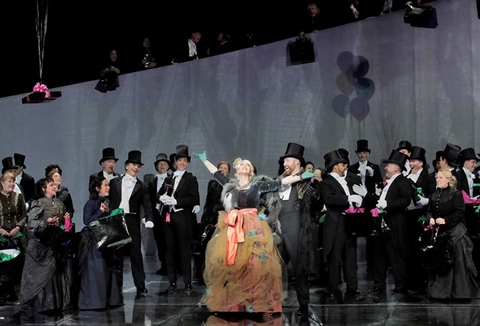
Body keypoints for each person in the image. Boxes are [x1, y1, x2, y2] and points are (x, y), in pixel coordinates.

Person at [193, 150, 316, 313]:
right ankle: (235, 305)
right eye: (242, 164)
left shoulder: (258, 185)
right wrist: (205, 160)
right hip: (235, 226)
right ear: (237, 171)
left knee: (254, 265)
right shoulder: (230, 185)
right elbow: (216, 174)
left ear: (251, 171)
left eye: (247, 164)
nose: (244, 165)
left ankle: (255, 302)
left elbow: (281, 182)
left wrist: (300, 177)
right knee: (235, 265)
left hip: (252, 227)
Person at [277, 142, 319, 316]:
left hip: (296, 227)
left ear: (297, 163)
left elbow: (315, 201)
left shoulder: (307, 182)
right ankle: (272, 303)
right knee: (274, 266)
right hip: (280, 226)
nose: (285, 164)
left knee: (299, 267)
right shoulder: (282, 179)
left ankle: (303, 304)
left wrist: (313, 186)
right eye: (284, 161)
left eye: (288, 160)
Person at [426, 169, 480, 300]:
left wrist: (446, 220)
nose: (438, 180)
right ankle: (440, 292)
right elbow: (429, 211)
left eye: (441, 178)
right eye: (437, 177)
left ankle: (460, 293)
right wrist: (430, 218)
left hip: (455, 232)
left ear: (449, 179)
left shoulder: (455, 194)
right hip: (441, 233)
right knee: (442, 261)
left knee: (458, 261)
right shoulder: (434, 194)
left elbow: (460, 212)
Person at [19, 178, 70, 316]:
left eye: (55, 184)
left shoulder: (59, 203)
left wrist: (65, 223)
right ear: (43, 189)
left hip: (53, 243)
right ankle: (38, 305)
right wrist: (45, 221)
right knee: (39, 275)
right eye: (51, 185)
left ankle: (54, 304)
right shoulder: (38, 203)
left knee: (54, 272)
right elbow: (31, 223)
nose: (55, 187)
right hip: (39, 245)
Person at [109, 150, 154, 298]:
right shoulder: (115, 182)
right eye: (133, 165)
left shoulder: (141, 186)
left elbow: (147, 204)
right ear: (126, 166)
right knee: (117, 255)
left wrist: (149, 219)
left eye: (138, 166)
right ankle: (117, 286)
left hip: (132, 220)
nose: (136, 168)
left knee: (135, 254)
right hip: (117, 220)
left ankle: (140, 286)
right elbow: (109, 199)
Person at [319, 150, 363, 298]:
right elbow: (329, 200)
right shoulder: (326, 182)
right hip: (336, 223)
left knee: (350, 255)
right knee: (334, 256)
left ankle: (353, 286)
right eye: (342, 164)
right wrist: (348, 199)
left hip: (350, 221)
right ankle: (332, 287)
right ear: (334, 166)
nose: (345, 166)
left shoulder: (349, 180)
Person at [369, 150, 413, 294]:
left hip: (395, 223)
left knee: (396, 254)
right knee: (379, 253)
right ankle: (379, 284)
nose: (386, 168)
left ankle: (401, 284)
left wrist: (387, 204)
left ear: (396, 167)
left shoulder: (403, 181)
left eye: (388, 165)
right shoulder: (388, 183)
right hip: (383, 222)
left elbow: (405, 200)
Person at [157, 145, 200, 296]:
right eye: (179, 160)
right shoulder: (169, 178)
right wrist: (161, 197)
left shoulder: (191, 179)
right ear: (175, 162)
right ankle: (172, 282)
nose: (182, 163)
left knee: (185, 251)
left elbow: (194, 198)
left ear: (187, 163)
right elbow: (159, 194)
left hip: (183, 219)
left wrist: (176, 202)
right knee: (169, 251)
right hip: (169, 220)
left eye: (184, 160)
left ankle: (187, 282)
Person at [76, 176, 123, 310]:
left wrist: (109, 212)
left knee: (107, 269)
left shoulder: (108, 202)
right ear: (97, 189)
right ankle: (95, 302)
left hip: (105, 240)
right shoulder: (90, 203)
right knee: (97, 270)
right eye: (105, 185)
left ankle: (109, 300)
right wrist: (100, 212)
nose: (108, 188)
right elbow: (87, 221)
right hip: (93, 242)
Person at [193, 160, 230, 284]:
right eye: (220, 168)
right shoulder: (212, 183)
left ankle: (221, 276)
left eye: (224, 168)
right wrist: (205, 217)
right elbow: (209, 201)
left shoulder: (230, 185)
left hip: (224, 218)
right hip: (210, 218)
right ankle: (202, 274)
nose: (222, 170)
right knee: (206, 246)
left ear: (228, 172)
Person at [0, 171, 27, 303]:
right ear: (2, 183)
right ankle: (5, 291)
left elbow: (23, 214)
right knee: (4, 264)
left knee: (18, 262)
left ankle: (15, 292)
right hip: (1, 235)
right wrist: (0, 230)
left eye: (13, 181)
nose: (11, 184)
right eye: (9, 181)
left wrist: (17, 227)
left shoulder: (18, 196)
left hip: (15, 234)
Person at [146, 153, 171, 275]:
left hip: (169, 214)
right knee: (159, 240)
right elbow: (149, 199)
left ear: (168, 166)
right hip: (156, 215)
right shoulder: (152, 181)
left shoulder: (172, 179)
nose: (162, 166)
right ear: (156, 166)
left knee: (169, 241)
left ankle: (172, 265)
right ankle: (163, 265)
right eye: (160, 164)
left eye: (164, 164)